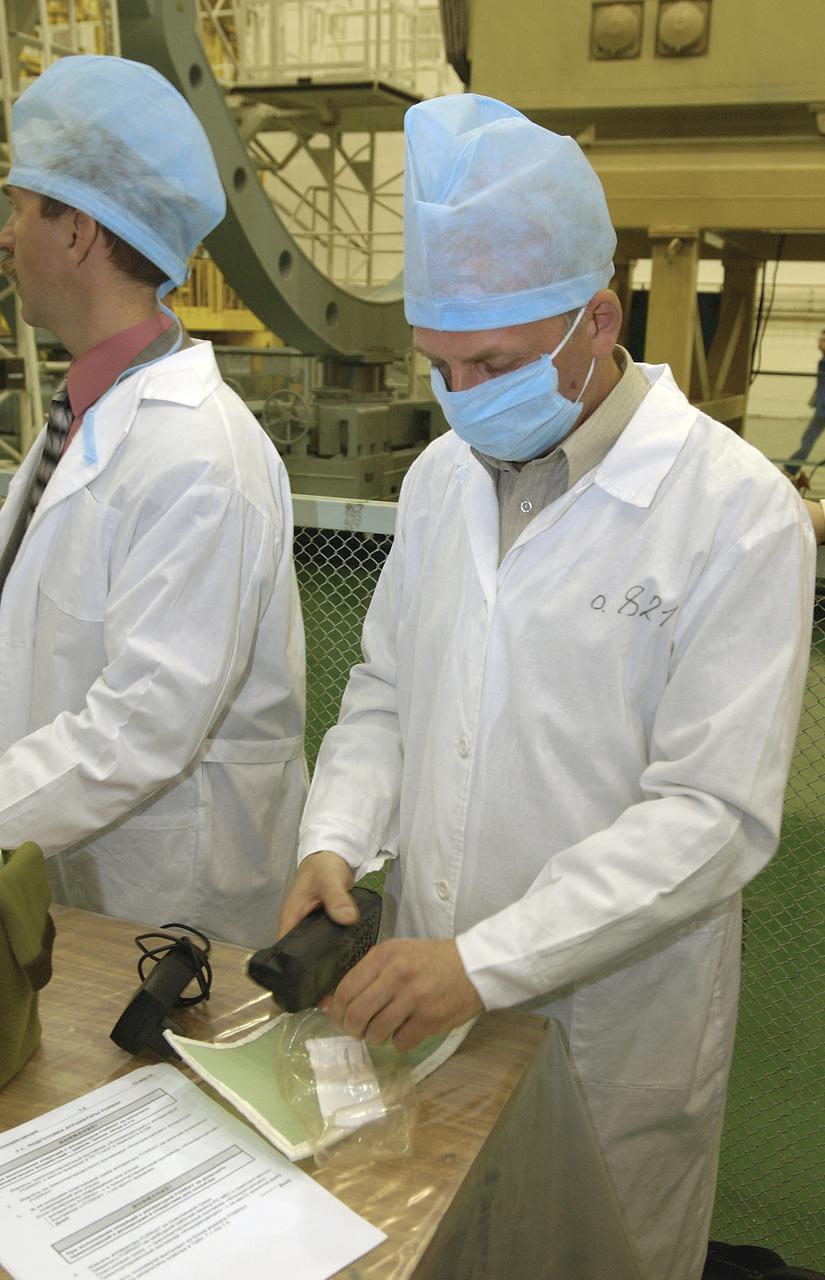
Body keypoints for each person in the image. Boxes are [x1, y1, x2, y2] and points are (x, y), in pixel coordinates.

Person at [278, 95, 816, 1280]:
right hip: (426, 992)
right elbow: (386, 686)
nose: (464, 394)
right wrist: (336, 835)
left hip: (611, 1027)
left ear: (598, 319)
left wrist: (488, 959)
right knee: (446, 1241)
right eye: (441, 365)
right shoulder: (439, 479)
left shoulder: (735, 514)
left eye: (496, 363)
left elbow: (711, 815)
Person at [0, 55, 307, 948]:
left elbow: (142, 725)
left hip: (171, 910)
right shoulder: (86, 412)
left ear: (78, 230)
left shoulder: (199, 454)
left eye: (20, 207)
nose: (7, 237)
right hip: (73, 871)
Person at [784, 328, 825, 488]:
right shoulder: (822, 361)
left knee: (807, 441)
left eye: (823, 340)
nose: (819, 343)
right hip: (821, 408)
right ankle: (790, 470)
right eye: (820, 339)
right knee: (807, 440)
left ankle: (789, 470)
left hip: (823, 410)